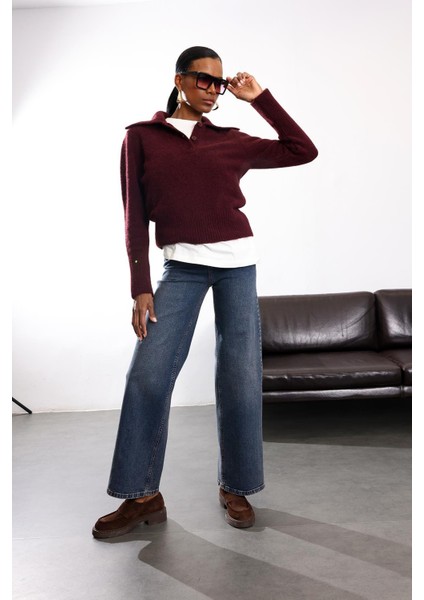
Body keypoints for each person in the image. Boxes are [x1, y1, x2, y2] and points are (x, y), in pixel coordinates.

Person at [92, 46, 318, 539]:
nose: (213, 90)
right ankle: (142, 496)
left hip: (238, 266)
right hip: (181, 269)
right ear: (179, 80)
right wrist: (140, 286)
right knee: (147, 376)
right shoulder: (141, 137)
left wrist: (260, 98)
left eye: (220, 83)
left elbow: (303, 150)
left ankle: (236, 486)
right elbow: (133, 217)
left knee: (239, 378)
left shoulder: (231, 139)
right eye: (203, 79)